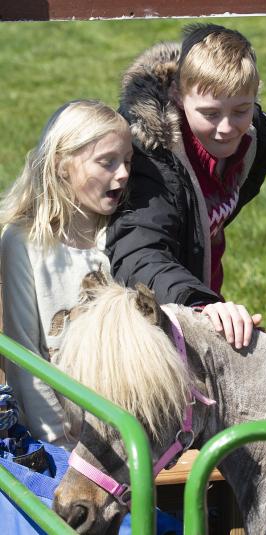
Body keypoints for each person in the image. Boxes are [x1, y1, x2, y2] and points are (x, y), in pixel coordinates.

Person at [106, 23, 266, 350]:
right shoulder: (152, 161)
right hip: (149, 318)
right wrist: (200, 302)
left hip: (194, 294)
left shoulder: (255, 141)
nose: (227, 128)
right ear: (177, 95)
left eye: (241, 110)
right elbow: (138, 251)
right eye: (210, 113)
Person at [0, 100, 133, 446]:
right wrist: (59, 441)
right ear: (62, 166)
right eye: (108, 162)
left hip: (123, 428)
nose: (123, 174)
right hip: (60, 439)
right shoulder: (24, 243)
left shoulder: (119, 236)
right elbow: (25, 357)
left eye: (128, 161)